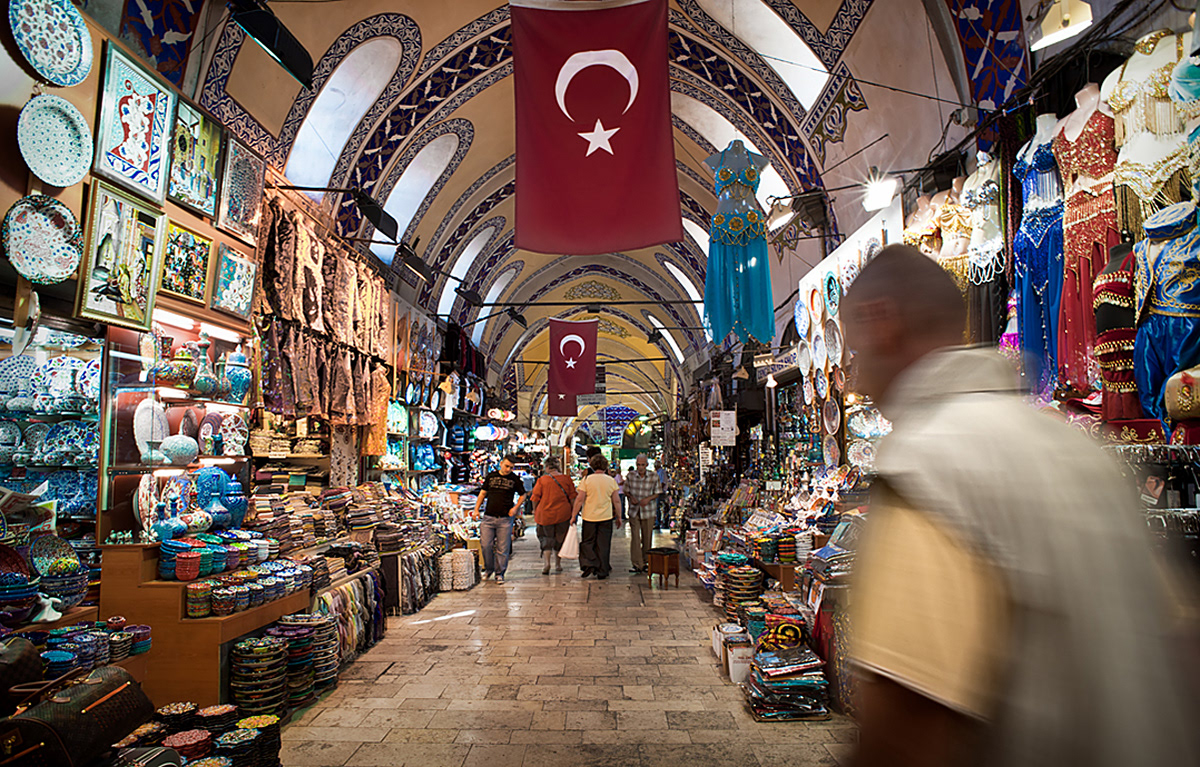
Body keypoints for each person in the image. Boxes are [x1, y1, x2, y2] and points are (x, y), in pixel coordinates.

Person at [842, 244, 1195, 767]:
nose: (854, 377)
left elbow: (907, 723)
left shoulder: (928, 465)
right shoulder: (1076, 451)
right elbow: (1177, 642)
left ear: (882, 322)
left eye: (853, 352)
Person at [471, 455, 526, 585]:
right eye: (506, 466)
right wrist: (476, 509)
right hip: (488, 517)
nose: (508, 469)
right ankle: (489, 569)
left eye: (511, 468)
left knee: (503, 547)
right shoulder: (491, 476)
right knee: (485, 545)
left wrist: (516, 508)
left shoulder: (514, 479)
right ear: (501, 463)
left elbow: (523, 495)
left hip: (505, 519)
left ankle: (499, 573)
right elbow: (483, 493)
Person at [572, 453, 621, 579]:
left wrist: (574, 515)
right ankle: (602, 570)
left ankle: (589, 564)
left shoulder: (587, 480)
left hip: (589, 517)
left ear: (592, 466)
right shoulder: (611, 481)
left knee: (588, 542)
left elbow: (579, 499)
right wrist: (619, 516)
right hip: (606, 517)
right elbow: (616, 500)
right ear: (605, 466)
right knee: (604, 544)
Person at [530, 457, 576, 574]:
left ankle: (547, 563)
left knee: (546, 538)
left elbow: (535, 498)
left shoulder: (542, 480)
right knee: (559, 538)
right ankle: (558, 564)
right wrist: (573, 513)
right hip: (563, 514)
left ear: (547, 467)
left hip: (545, 515)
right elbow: (572, 498)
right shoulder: (566, 479)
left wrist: (535, 511)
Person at [624, 454, 661, 573]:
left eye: (642, 465)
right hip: (634, 511)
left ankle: (646, 561)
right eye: (638, 465)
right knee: (635, 537)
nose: (640, 467)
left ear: (647, 465)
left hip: (648, 511)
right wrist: (630, 497)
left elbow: (657, 492)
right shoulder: (630, 476)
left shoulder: (653, 476)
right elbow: (626, 490)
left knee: (647, 536)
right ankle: (637, 563)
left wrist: (648, 499)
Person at [653, 460, 671, 529]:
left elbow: (662, 483)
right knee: (657, 508)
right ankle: (658, 522)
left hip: (661, 492)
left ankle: (661, 523)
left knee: (659, 507)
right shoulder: (657, 472)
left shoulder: (662, 472)